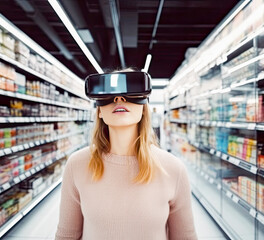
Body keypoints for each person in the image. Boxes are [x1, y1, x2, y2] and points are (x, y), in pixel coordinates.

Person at [55, 70, 197, 240]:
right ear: (99, 111)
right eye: (110, 93)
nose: (119, 99)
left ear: (144, 109)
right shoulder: (76, 165)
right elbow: (66, 236)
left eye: (130, 92)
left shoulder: (173, 169)